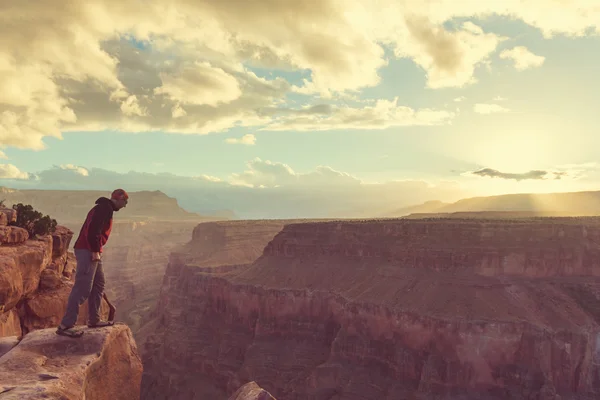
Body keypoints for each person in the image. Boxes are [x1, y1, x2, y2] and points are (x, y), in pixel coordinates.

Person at [56, 189, 129, 338]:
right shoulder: (105, 209)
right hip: (87, 250)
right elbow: (93, 231)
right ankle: (65, 325)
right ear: (118, 199)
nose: (125, 205)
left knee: (98, 284)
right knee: (82, 288)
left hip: (91, 250)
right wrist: (95, 251)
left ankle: (94, 319)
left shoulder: (104, 207)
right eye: (125, 202)